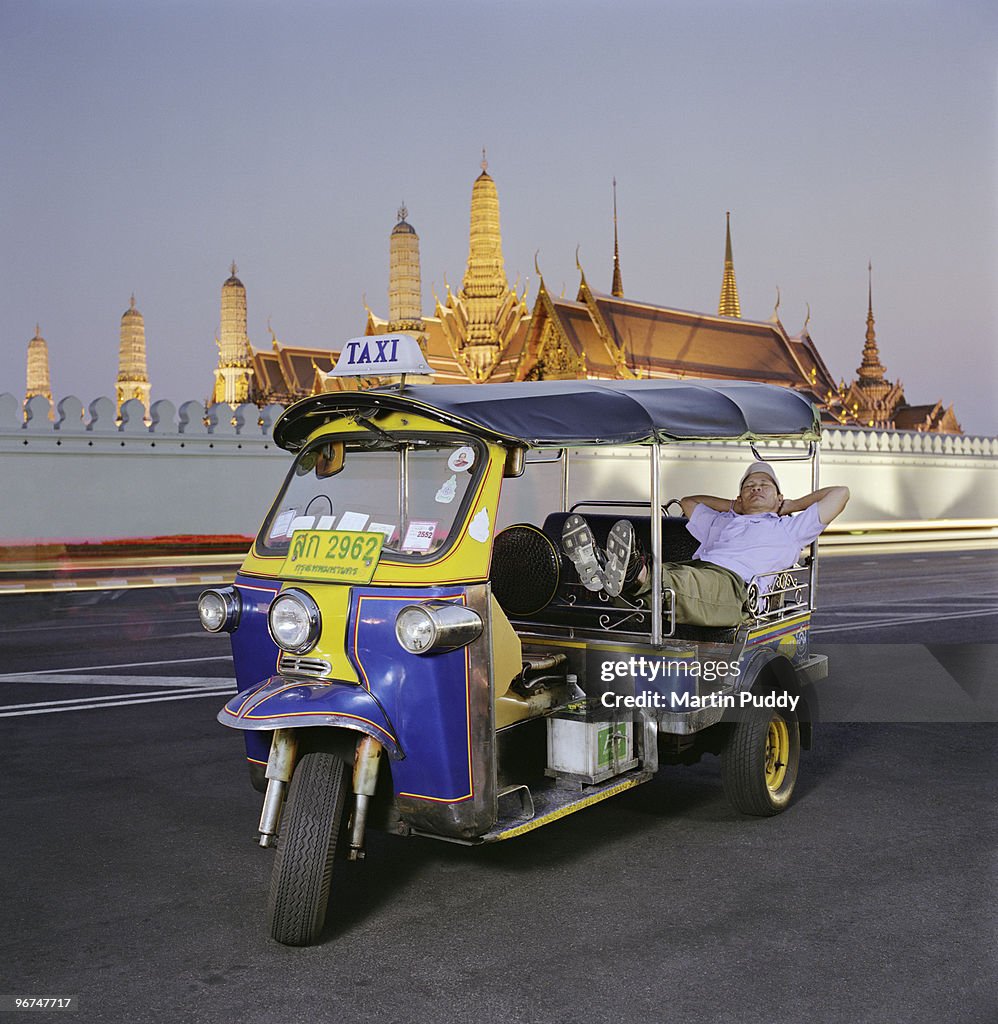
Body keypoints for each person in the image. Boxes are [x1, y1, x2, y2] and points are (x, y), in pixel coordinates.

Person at [561, 462, 850, 626]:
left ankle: (628, 569)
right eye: (748, 486)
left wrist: (791, 506)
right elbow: (689, 502)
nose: (756, 488)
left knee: (680, 581)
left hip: (736, 588)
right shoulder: (723, 523)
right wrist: (734, 507)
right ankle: (605, 571)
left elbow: (840, 493)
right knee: (677, 576)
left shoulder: (790, 529)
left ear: (778, 496)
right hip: (697, 571)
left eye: (764, 485)